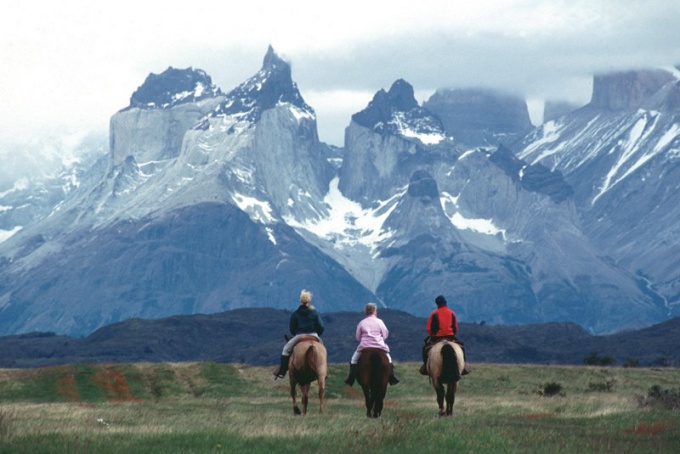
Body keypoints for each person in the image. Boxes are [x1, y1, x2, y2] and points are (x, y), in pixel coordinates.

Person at [273, 289, 325, 379]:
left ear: (301, 301)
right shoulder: (314, 313)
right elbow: (321, 326)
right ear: (309, 301)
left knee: (286, 349)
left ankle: (282, 371)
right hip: (314, 335)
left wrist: (297, 333)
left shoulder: (296, 314)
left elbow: (292, 329)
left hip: (300, 335)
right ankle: (323, 371)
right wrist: (317, 334)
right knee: (322, 351)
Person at [344, 302, 399, 386]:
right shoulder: (380, 322)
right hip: (380, 346)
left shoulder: (362, 323)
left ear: (366, 311)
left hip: (364, 347)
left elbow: (358, 337)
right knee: (389, 360)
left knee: (353, 360)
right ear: (375, 311)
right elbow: (385, 334)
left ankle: (350, 378)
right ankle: (392, 377)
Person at [419, 295, 470, 376]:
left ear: (437, 304)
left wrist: (433, 334)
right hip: (450, 336)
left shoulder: (434, 314)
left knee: (425, 349)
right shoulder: (452, 313)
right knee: (462, 348)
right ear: (446, 303)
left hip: (437, 337)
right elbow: (455, 327)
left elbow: (429, 328)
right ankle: (464, 367)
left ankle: (425, 367)